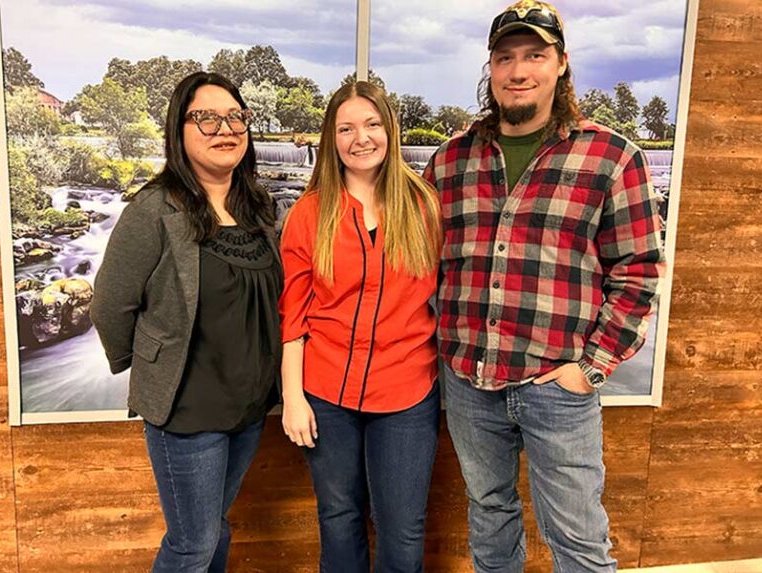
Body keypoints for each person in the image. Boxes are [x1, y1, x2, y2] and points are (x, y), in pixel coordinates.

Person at [422, 1, 665, 571]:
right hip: (467, 379)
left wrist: (592, 367)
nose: (519, 70)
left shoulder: (611, 157)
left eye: (535, 55)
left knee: (578, 538)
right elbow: (421, 260)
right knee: (489, 514)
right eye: (505, 58)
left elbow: (637, 271)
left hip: (557, 384)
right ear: (491, 68)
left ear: (561, 64)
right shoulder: (451, 160)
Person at [90, 71, 281, 573]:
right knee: (193, 544)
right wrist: (151, 363)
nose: (225, 127)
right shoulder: (154, 208)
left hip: (249, 407)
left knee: (215, 527)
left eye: (236, 116)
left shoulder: (259, 206)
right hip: (187, 412)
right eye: (206, 117)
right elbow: (110, 303)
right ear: (179, 129)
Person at [279, 80, 442, 572]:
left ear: (389, 130)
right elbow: (294, 316)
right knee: (338, 515)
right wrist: (293, 396)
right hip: (326, 394)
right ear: (332, 139)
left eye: (371, 124)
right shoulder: (309, 214)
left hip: (408, 394)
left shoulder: (425, 207)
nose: (360, 138)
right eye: (346, 128)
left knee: (403, 525)